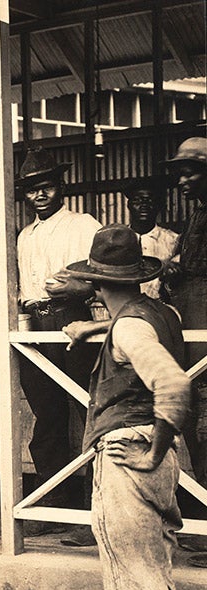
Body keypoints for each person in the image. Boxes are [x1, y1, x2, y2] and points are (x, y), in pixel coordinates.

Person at [63, 224, 188, 590]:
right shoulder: (160, 311)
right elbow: (133, 328)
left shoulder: (130, 327)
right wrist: (96, 329)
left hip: (130, 458)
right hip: (159, 462)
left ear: (96, 287)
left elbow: (173, 386)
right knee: (155, 586)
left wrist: (149, 451)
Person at [14, 147, 102, 544]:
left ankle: (95, 511)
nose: (41, 195)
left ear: (60, 186)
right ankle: (53, 506)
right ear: (25, 195)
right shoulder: (24, 235)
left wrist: (76, 287)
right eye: (33, 190)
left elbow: (105, 277)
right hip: (36, 323)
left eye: (47, 186)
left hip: (74, 320)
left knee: (87, 411)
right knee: (46, 415)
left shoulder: (84, 224)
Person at [162, 136, 207, 488]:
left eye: (189, 174)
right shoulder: (196, 217)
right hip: (192, 330)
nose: (181, 182)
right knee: (191, 414)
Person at [123, 178, 179, 300]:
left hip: (163, 309)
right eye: (137, 200)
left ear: (159, 205)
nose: (144, 205)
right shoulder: (118, 241)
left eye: (150, 200)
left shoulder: (173, 241)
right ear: (129, 205)